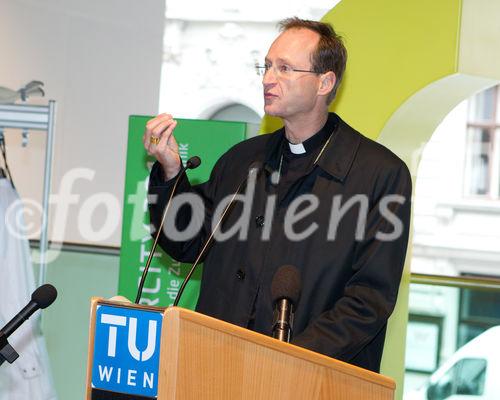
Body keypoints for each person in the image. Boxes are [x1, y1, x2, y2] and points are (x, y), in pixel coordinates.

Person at [144, 17, 412, 373]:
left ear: (324, 82)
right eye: (267, 66)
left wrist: (287, 358)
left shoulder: (379, 174)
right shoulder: (243, 160)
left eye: (285, 68)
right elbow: (186, 242)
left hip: (311, 379)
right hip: (215, 366)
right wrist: (171, 171)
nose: (268, 79)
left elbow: (368, 301)